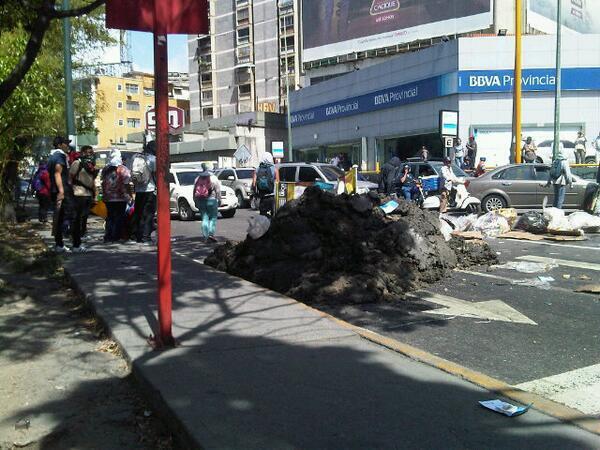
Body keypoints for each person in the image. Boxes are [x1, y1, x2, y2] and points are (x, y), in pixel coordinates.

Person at [48, 136, 75, 253]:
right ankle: (71, 241)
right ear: (59, 145)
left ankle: (59, 244)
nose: (67, 145)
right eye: (65, 143)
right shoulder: (59, 156)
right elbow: (57, 173)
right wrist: (61, 191)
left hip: (56, 190)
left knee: (59, 217)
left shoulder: (52, 156)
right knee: (69, 216)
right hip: (62, 191)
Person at [69, 145, 97, 251]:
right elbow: (70, 177)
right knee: (77, 219)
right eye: (88, 152)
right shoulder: (77, 163)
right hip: (78, 194)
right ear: (83, 153)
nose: (90, 154)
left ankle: (79, 239)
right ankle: (76, 243)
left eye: (91, 152)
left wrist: (94, 194)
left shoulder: (90, 165)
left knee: (83, 218)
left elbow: (92, 181)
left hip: (88, 195)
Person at [101, 149, 130, 242]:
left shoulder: (105, 169)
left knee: (110, 217)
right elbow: (127, 183)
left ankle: (108, 236)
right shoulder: (123, 169)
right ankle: (116, 236)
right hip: (120, 197)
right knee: (119, 217)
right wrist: (129, 196)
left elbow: (102, 182)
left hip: (108, 198)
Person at [131, 141, 156, 244]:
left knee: (138, 213)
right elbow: (157, 174)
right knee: (148, 214)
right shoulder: (152, 159)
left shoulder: (136, 158)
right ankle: (146, 237)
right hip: (149, 189)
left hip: (139, 190)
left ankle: (135, 236)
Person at [193, 163, 221, 242]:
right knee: (213, 218)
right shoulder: (214, 178)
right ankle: (211, 234)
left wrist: (195, 200)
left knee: (204, 218)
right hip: (212, 200)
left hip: (201, 200)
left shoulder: (198, 178)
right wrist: (219, 199)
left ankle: (205, 236)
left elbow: (194, 190)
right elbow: (218, 190)